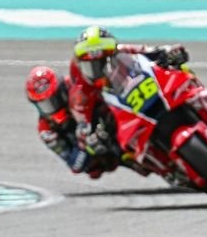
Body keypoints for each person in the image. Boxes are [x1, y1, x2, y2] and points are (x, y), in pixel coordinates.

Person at [67, 25, 189, 156]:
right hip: (116, 117)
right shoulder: (80, 89)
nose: (99, 70)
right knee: (121, 153)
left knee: (180, 69)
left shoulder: (122, 50)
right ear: (80, 65)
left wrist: (170, 52)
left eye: (104, 62)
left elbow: (149, 51)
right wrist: (91, 137)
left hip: (135, 91)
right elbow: (82, 125)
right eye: (92, 66)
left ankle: (199, 99)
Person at [26, 65, 120, 179]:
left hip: (106, 117)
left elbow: (102, 83)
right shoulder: (46, 130)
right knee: (92, 170)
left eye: (54, 100)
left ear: (61, 90)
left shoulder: (75, 85)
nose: (52, 107)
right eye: (45, 105)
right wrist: (84, 144)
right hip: (92, 148)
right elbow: (74, 165)